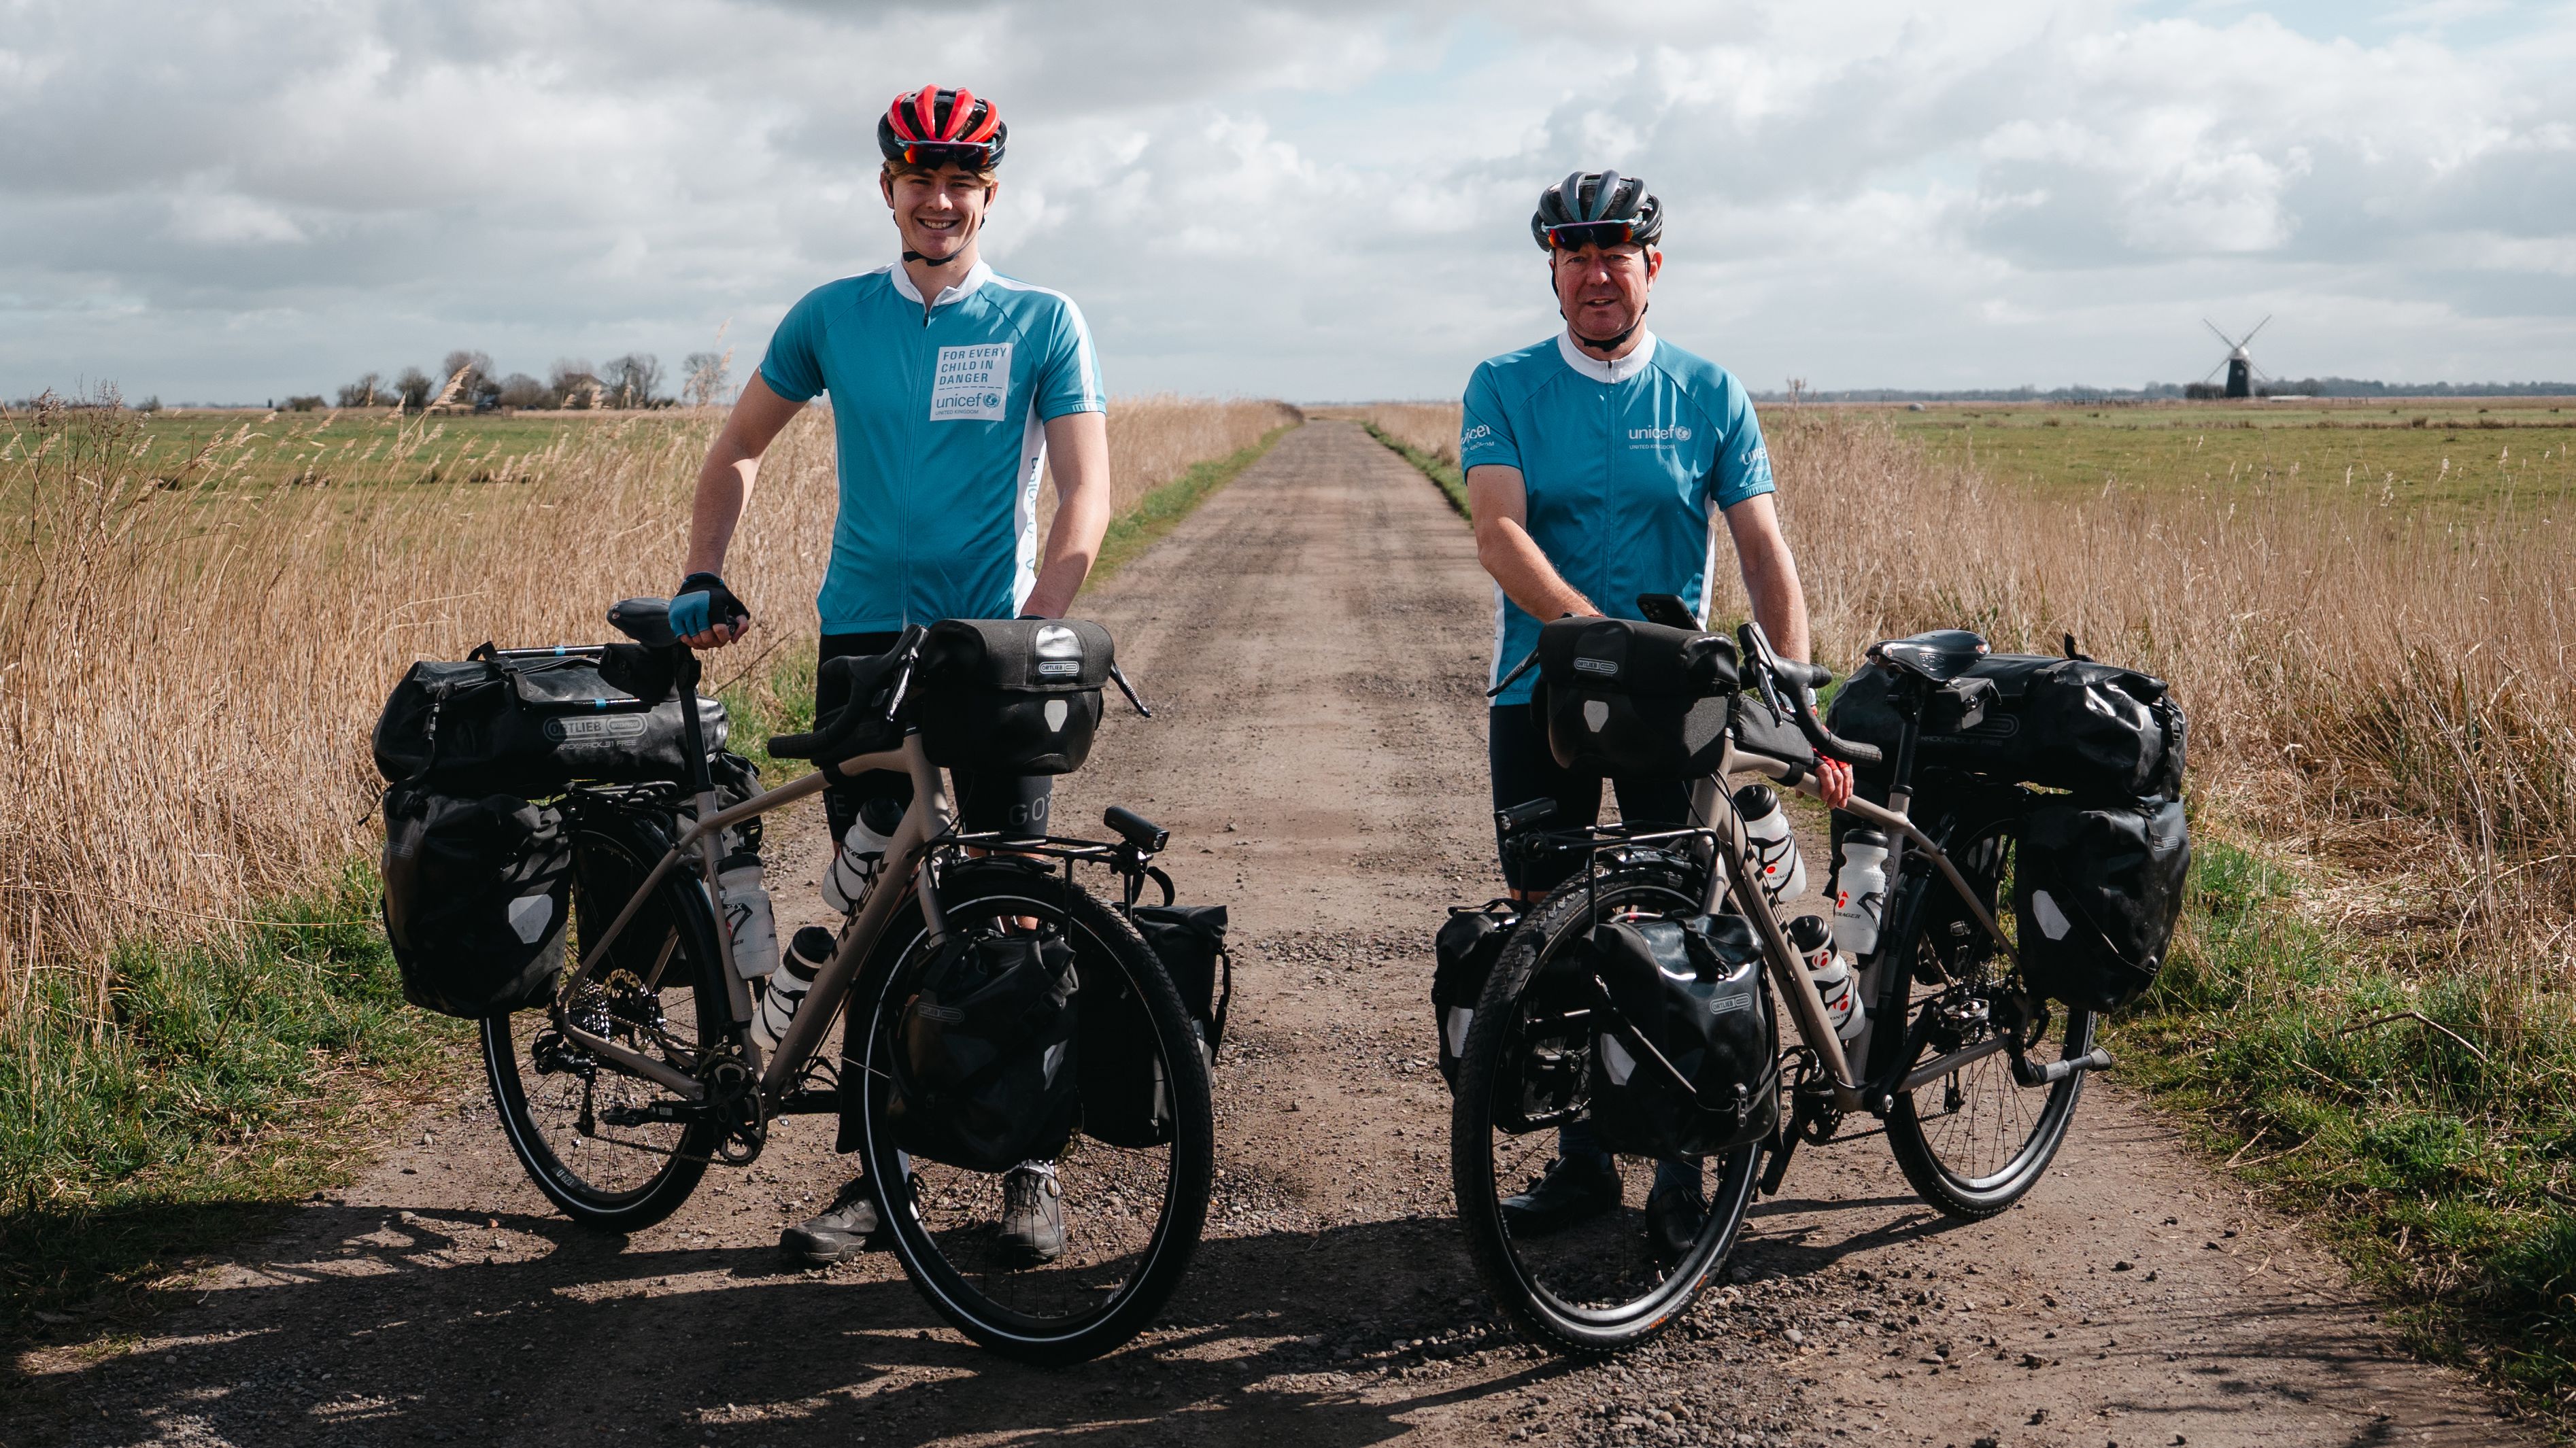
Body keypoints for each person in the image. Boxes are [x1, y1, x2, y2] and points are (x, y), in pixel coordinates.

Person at [670, 84, 1113, 1269]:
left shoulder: (1042, 321)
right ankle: (882, 1171)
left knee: (1017, 902)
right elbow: (739, 449)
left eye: (963, 178)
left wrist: (1038, 627)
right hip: (864, 646)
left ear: (990, 195)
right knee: (871, 912)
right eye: (919, 176)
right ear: (887, 189)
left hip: (992, 650)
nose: (940, 196)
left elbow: (1086, 493)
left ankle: (1028, 1167)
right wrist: (704, 569)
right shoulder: (832, 316)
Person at [1461, 169, 1842, 1266]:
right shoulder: (1505, 384)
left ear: (1652, 267)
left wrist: (1798, 691)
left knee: (1681, 935)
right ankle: (1582, 1159)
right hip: (1541, 694)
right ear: (1552, 270)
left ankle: (1683, 1164)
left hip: (1675, 707)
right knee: (1550, 936)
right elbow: (1499, 533)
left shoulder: (1710, 392)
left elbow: (1762, 548)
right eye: (1574, 256)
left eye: (1613, 253)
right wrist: (1591, 632)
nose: (1593, 274)